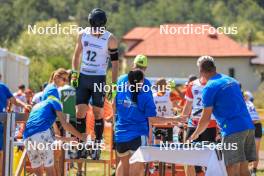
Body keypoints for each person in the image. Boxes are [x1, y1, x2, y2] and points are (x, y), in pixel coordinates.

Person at [189, 56, 256, 176]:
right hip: (248, 126)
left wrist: (195, 134)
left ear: (201, 71)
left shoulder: (209, 87)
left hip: (232, 129)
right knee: (243, 168)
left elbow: (205, 119)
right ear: (214, 68)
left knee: (232, 167)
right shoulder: (231, 80)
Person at [71, 8, 119, 160]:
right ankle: (82, 145)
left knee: (98, 113)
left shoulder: (110, 39)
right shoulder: (83, 34)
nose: (96, 30)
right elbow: (76, 54)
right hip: (84, 77)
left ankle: (97, 146)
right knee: (80, 112)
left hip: (99, 78)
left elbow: (115, 63)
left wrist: (114, 84)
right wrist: (74, 72)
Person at [114, 70, 179, 176]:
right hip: (137, 136)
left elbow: (114, 105)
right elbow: (153, 119)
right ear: (141, 81)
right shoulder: (145, 97)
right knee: (136, 170)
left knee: (123, 166)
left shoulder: (121, 92)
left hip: (120, 135)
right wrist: (175, 119)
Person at [23, 95, 86, 176]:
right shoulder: (55, 102)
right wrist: (81, 136)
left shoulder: (39, 107)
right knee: (50, 170)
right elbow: (65, 124)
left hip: (27, 138)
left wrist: (67, 139)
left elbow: (45, 135)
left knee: (38, 172)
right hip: (41, 135)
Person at [182, 75, 217, 176]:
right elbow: (188, 105)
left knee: (209, 160)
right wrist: (182, 119)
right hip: (193, 124)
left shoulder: (214, 85)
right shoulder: (192, 84)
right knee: (188, 157)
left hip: (210, 125)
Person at [0, 81, 31, 175]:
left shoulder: (2, 87)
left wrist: (24, 105)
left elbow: (14, 100)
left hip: (1, 124)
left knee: (1, 153)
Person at [244, 91, 262, 176]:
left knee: (253, 151)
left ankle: (253, 171)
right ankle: (250, 170)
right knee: (250, 151)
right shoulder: (249, 103)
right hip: (253, 125)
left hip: (254, 126)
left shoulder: (246, 104)